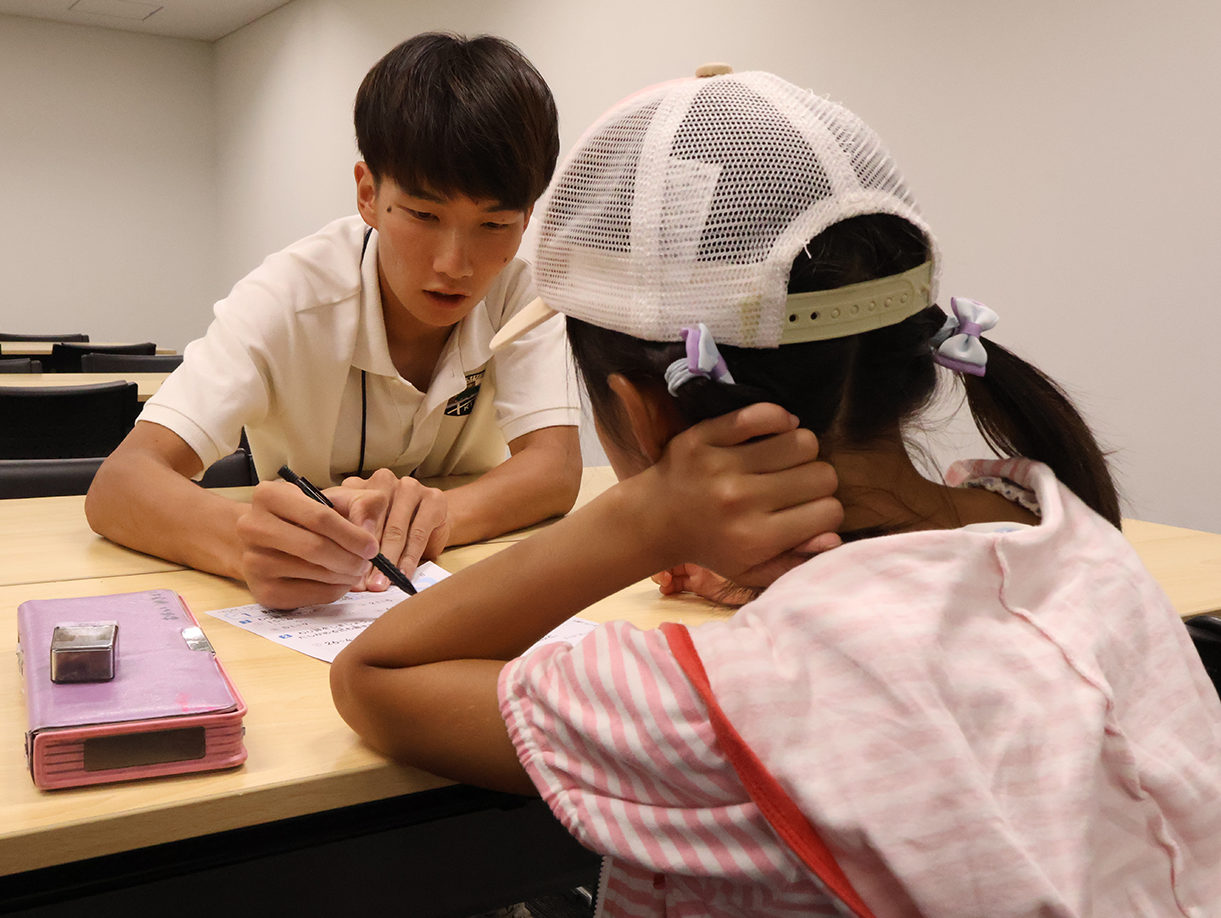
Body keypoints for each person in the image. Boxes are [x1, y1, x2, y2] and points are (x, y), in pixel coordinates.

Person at [328, 68, 1221, 916]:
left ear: (640, 412)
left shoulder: (718, 705)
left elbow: (377, 675)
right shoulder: (1065, 530)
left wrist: (640, 525)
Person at [86, 33, 583, 610]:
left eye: (494, 226)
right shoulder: (288, 296)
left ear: (527, 216)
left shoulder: (523, 288)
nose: (455, 265)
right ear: (369, 194)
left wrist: (437, 515)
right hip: (307, 602)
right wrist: (242, 543)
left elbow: (554, 466)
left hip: (450, 591)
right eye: (423, 214)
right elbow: (121, 483)